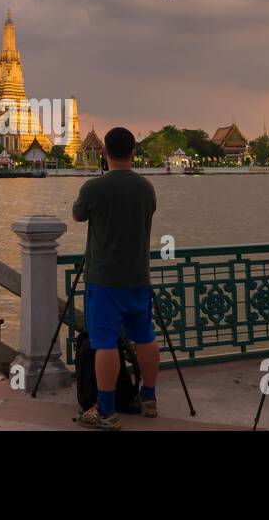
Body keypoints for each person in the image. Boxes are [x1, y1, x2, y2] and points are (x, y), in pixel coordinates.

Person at [71, 127, 159, 430]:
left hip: (104, 279)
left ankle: (106, 411)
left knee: (105, 342)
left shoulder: (94, 188)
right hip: (138, 276)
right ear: (133, 153)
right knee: (145, 336)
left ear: (103, 153)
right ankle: (149, 397)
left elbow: (77, 215)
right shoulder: (147, 188)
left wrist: (100, 176)